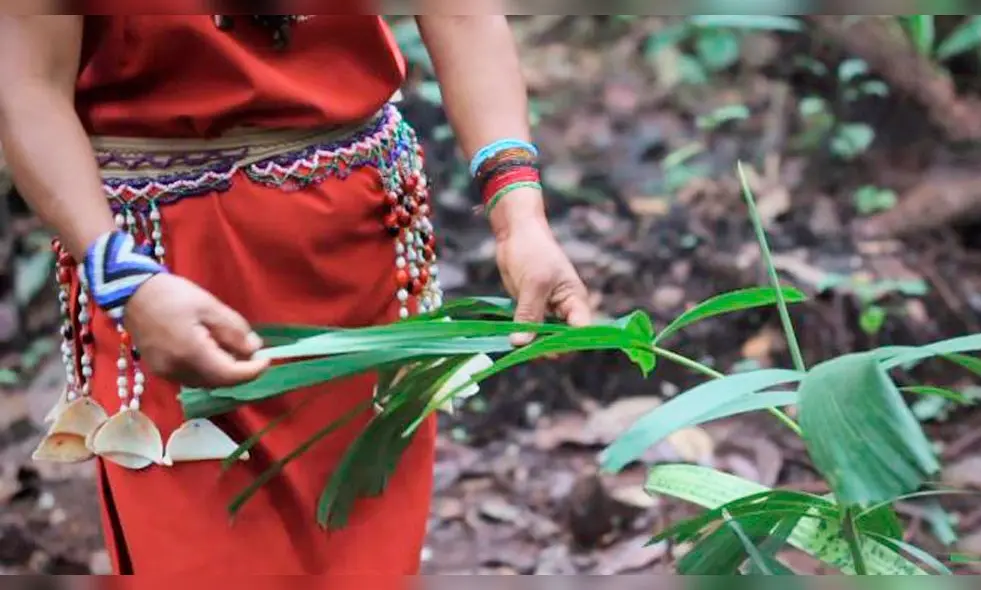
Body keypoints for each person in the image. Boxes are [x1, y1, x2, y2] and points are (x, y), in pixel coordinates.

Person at [0, 9, 592, 575]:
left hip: (365, 258)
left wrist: (520, 215)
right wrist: (126, 284)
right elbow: (25, 82)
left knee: (364, 556)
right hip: (162, 278)